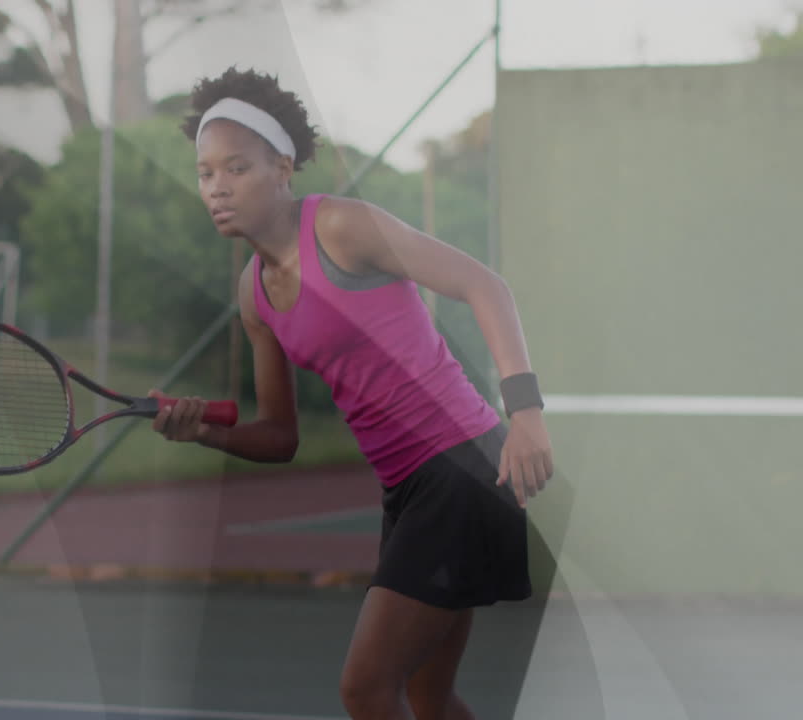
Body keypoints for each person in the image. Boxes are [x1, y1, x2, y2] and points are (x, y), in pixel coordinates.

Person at [147, 66, 555, 720]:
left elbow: (484, 286)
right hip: (408, 490)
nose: (217, 187)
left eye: (237, 168)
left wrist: (526, 412)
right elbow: (280, 437)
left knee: (365, 690)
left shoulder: (341, 226)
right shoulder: (254, 294)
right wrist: (203, 431)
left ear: (282, 167)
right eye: (205, 173)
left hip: (463, 467)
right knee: (427, 695)